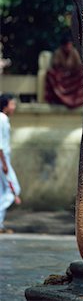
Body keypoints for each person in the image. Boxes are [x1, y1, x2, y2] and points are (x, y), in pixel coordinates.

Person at [45, 32, 83, 108]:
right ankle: (60, 98)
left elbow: (79, 66)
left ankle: (75, 99)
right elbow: (55, 66)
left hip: (72, 76)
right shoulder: (58, 52)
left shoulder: (74, 52)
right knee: (51, 74)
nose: (69, 47)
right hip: (62, 77)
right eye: (67, 45)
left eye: (70, 45)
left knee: (82, 73)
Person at [0, 94, 21, 233]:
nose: (14, 108)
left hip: (3, 158)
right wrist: (4, 163)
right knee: (14, 190)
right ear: (6, 105)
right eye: (12, 104)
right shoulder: (2, 119)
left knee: (2, 191)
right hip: (2, 159)